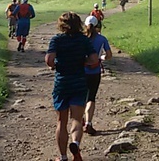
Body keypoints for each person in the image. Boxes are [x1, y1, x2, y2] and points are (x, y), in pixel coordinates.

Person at [45, 12, 99, 161]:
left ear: (62, 25)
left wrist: (56, 65)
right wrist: (83, 62)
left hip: (62, 83)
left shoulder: (56, 40)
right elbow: (94, 59)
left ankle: (63, 157)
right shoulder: (83, 40)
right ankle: (75, 143)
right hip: (79, 82)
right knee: (76, 118)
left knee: (61, 122)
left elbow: (49, 60)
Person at [83, 15, 112, 136]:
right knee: (91, 97)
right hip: (95, 71)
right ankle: (89, 123)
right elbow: (109, 55)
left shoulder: (81, 38)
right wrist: (101, 57)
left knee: (80, 97)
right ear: (97, 26)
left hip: (81, 71)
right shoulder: (102, 39)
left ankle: (80, 121)